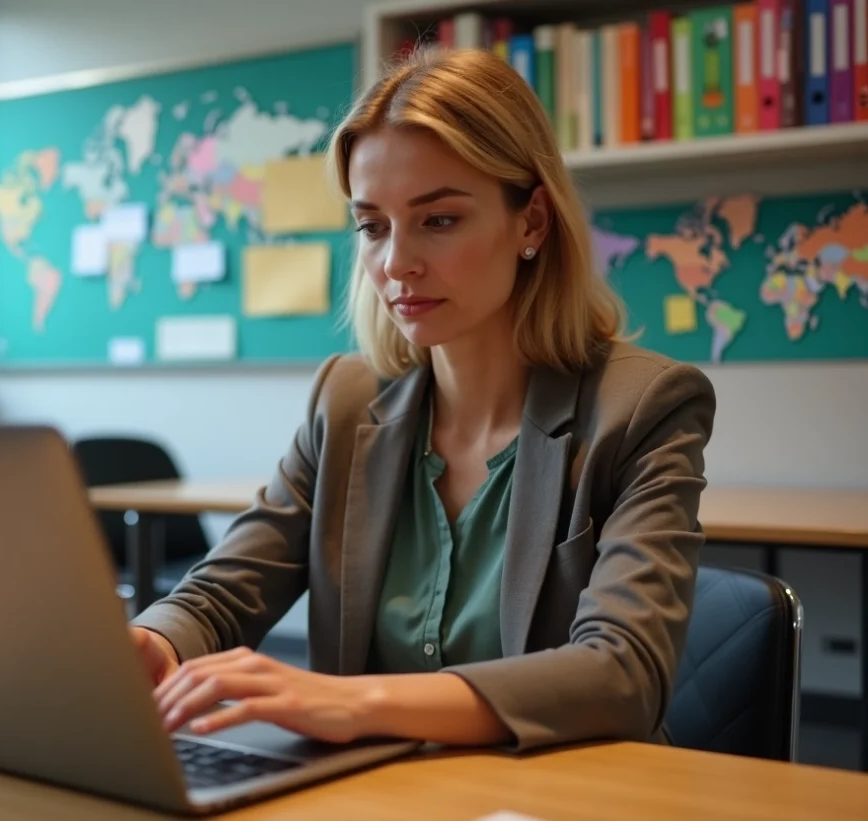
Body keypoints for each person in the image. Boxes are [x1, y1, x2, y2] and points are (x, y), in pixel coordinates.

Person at [128, 46, 716, 753]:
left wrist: (355, 701)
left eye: (438, 220)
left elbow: (622, 675)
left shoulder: (643, 405)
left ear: (532, 221)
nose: (396, 262)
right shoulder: (346, 402)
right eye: (372, 225)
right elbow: (224, 593)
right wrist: (152, 642)